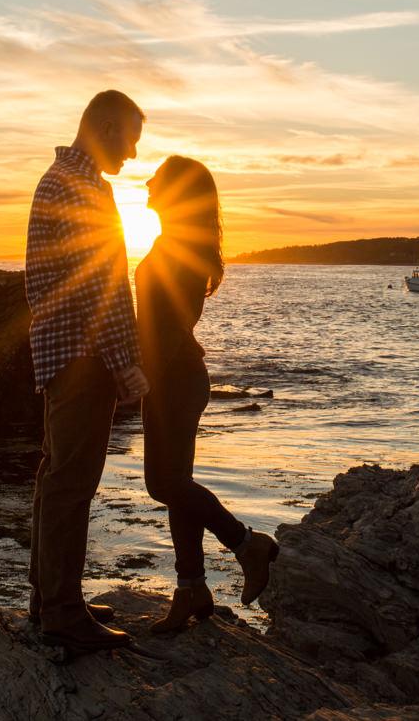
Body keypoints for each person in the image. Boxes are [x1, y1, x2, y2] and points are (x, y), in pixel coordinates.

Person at [24, 90, 151, 652]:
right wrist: (126, 364)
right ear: (104, 126)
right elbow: (99, 287)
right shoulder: (76, 186)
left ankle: (49, 598)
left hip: (65, 354)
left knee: (57, 478)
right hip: (80, 356)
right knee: (71, 486)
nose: (131, 155)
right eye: (128, 140)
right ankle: (63, 616)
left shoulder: (70, 180)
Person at [137, 155, 278, 634]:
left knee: (164, 485)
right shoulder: (171, 242)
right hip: (171, 376)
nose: (148, 180)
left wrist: (141, 376)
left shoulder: (180, 247)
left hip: (173, 378)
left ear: (176, 191)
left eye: (158, 177)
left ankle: (247, 545)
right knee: (179, 489)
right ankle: (191, 588)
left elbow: (174, 325)